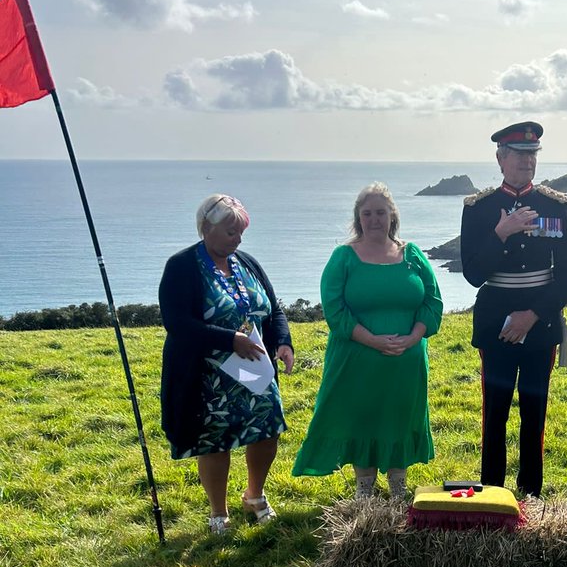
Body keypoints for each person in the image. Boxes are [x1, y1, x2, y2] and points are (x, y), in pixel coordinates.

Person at [293, 182, 443, 498]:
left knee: (400, 416)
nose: (374, 219)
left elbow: (432, 302)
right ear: (358, 218)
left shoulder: (413, 255)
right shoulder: (343, 257)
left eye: (380, 212)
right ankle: (364, 488)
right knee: (362, 417)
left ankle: (398, 487)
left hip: (406, 361)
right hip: (356, 360)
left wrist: (413, 338)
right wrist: (374, 341)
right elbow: (335, 311)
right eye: (367, 213)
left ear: (392, 216)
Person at [159, 194, 294, 533]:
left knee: (266, 432)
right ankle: (218, 512)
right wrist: (229, 339)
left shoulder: (247, 262)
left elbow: (273, 308)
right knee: (215, 441)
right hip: (207, 377)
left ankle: (255, 495)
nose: (238, 239)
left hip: (256, 370)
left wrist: (283, 342)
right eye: (230, 232)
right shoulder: (182, 266)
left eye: (240, 232)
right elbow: (177, 323)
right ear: (206, 228)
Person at [460, 121, 567, 497]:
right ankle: (493, 494)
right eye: (519, 154)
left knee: (534, 412)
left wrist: (533, 316)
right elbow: (474, 274)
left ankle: (530, 495)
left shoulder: (554, 205)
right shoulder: (480, 209)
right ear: (500, 159)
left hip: (539, 324)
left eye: (532, 154)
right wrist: (501, 233)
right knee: (494, 415)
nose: (527, 161)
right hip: (495, 324)